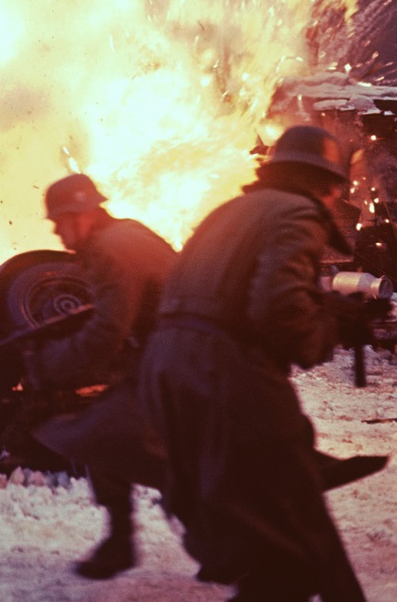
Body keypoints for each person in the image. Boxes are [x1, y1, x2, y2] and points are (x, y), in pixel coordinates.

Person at [138, 125, 369, 601]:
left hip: (167, 369)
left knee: (259, 534)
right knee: (295, 531)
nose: (334, 200)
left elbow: (225, 293)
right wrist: (328, 331)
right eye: (334, 190)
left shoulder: (228, 212)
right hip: (224, 374)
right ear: (323, 183)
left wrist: (330, 309)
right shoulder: (297, 213)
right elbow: (279, 308)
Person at [23, 173, 176, 579]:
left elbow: (108, 332)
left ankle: (126, 540)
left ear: (82, 215)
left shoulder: (111, 250)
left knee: (101, 430)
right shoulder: (126, 234)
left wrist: (47, 366)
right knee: (113, 427)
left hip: (177, 360)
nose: (56, 232)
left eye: (60, 221)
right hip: (170, 353)